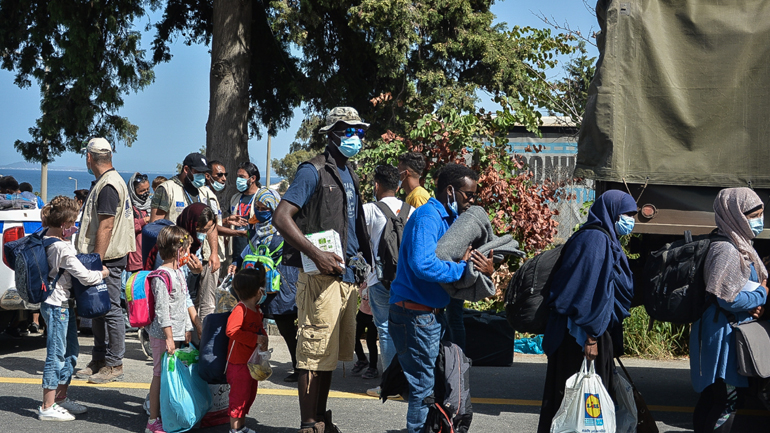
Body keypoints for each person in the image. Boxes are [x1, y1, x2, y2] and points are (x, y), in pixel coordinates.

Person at [273, 106, 374, 433]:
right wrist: (316, 255)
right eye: (348, 131)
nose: (355, 137)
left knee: (329, 354)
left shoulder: (349, 171)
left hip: (346, 277)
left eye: (359, 132)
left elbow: (353, 225)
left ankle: (320, 418)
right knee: (313, 351)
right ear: (331, 134)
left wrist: (365, 265)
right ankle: (307, 423)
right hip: (320, 277)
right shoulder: (312, 171)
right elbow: (281, 217)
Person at [388, 163, 492, 433]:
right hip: (415, 314)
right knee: (423, 387)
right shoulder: (427, 218)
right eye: (468, 195)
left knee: (430, 385)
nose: (471, 201)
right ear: (450, 191)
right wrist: (461, 269)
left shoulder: (447, 219)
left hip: (428, 314)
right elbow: (423, 265)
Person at [536, 190, 637, 433]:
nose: (631, 220)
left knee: (586, 405)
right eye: (627, 214)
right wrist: (591, 338)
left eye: (634, 215)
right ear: (612, 211)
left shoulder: (604, 239)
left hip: (593, 332)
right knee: (574, 401)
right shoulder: (594, 240)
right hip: (579, 336)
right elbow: (585, 293)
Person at [689, 187, 768, 433]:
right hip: (723, 335)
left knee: (714, 397)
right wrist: (761, 294)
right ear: (735, 215)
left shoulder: (739, 245)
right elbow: (726, 298)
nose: (759, 220)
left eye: (761, 213)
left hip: (725, 329)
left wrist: (754, 305)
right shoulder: (728, 250)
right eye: (753, 215)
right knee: (725, 399)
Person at [37, 197, 109, 421]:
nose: (75, 227)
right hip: (57, 303)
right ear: (65, 223)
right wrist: (103, 274)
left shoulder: (44, 237)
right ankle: (47, 406)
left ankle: (61, 397)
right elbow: (86, 277)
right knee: (57, 355)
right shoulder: (61, 248)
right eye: (73, 223)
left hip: (56, 303)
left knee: (71, 352)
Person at [73, 137, 136, 384]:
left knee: (109, 310)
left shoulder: (108, 185)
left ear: (89, 157)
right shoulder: (107, 181)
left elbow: (106, 226)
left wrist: (97, 262)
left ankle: (114, 363)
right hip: (101, 257)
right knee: (97, 310)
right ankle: (99, 359)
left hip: (106, 258)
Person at [228, 187, 299, 383]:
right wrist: (236, 263)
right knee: (261, 328)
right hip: (262, 287)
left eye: (265, 207)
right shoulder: (256, 230)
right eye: (257, 207)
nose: (260, 211)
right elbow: (248, 251)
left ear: (275, 207)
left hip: (283, 285)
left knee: (286, 327)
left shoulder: (286, 229)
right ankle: (256, 362)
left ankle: (299, 366)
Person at [362, 164, 414, 397]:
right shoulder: (411, 210)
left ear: (376, 185)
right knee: (407, 330)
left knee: (385, 329)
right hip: (406, 281)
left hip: (379, 279)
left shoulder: (369, 210)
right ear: (398, 185)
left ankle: (390, 384)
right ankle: (410, 381)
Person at [151, 153, 221, 305]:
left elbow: (212, 225)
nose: (203, 177)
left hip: (203, 256)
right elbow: (155, 226)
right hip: (176, 259)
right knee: (175, 303)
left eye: (205, 173)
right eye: (198, 173)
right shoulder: (167, 189)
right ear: (186, 169)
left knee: (203, 304)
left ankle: (198, 329)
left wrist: (214, 253)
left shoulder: (206, 192)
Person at [144, 225, 195, 433]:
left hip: (177, 333)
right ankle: (153, 420)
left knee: (170, 376)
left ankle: (167, 414)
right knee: (158, 374)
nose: (189, 254)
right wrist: (169, 337)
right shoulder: (161, 276)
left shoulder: (179, 272)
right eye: (187, 250)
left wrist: (188, 328)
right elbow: (162, 310)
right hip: (162, 335)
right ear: (178, 251)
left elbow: (183, 301)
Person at [199, 159, 248, 323]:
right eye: (219, 175)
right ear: (208, 176)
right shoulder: (205, 195)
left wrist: (227, 221)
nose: (224, 178)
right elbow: (211, 227)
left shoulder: (212, 196)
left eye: (225, 175)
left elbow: (216, 224)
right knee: (208, 302)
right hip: (209, 256)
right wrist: (239, 234)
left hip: (216, 254)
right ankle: (205, 341)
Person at [226, 267, 269, 433]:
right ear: (258, 291)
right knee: (239, 397)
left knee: (248, 396)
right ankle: (235, 429)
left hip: (250, 362)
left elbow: (258, 329)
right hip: (238, 363)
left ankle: (241, 427)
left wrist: (263, 338)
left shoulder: (256, 310)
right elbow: (232, 331)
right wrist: (256, 339)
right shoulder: (240, 309)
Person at [228, 161, 261, 264]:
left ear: (253, 179)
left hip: (255, 252)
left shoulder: (262, 197)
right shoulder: (235, 198)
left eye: (242, 177)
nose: (238, 180)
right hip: (236, 251)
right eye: (238, 176)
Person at [352, 286, 378, 380]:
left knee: (371, 341)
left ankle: (373, 367)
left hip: (374, 313)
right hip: (362, 311)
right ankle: (362, 359)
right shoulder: (365, 276)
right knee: (353, 336)